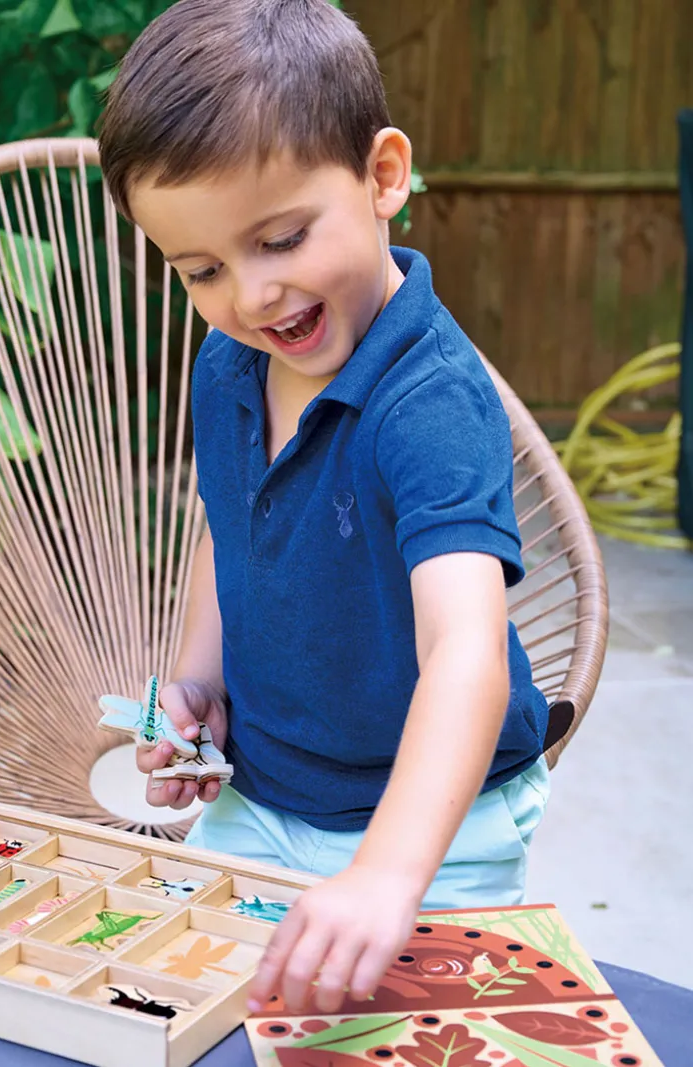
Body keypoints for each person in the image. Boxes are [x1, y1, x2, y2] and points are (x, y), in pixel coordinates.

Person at [97, 0, 551, 1017]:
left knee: (407, 1029)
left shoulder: (428, 402)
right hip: (260, 798)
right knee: (184, 1013)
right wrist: (197, 688)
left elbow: (466, 651)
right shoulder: (230, 365)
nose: (251, 296)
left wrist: (389, 873)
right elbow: (231, 520)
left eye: (282, 239)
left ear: (383, 176)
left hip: (437, 825)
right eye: (201, 270)